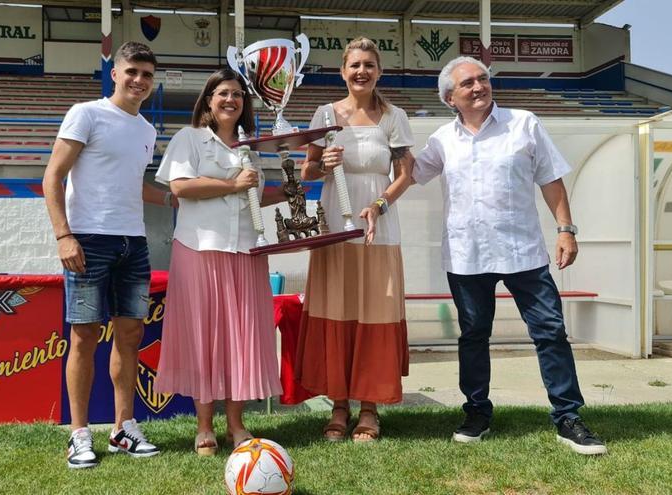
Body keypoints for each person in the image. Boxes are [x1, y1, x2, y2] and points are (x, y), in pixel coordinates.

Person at [411, 56, 607, 455]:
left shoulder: (525, 123)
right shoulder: (441, 141)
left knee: (550, 333)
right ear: (451, 97)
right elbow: (409, 174)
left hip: (524, 251)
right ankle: (477, 412)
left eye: (483, 79)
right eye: (468, 83)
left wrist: (566, 229)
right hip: (467, 254)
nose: (479, 87)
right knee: (473, 337)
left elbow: (550, 179)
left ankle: (568, 417)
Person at [43, 41, 176, 469]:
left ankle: (123, 427)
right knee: (83, 336)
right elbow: (53, 176)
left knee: (131, 335)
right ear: (115, 73)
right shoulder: (86, 113)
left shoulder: (146, 130)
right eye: (132, 71)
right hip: (88, 241)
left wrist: (182, 198)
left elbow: (134, 184)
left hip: (132, 243)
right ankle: (79, 435)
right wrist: (64, 235)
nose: (139, 80)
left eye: (147, 75)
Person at [154, 68, 286, 456]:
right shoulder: (189, 138)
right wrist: (232, 185)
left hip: (246, 249)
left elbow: (254, 196)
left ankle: (237, 424)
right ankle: (203, 427)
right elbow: (180, 188)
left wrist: (297, 184)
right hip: (199, 249)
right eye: (223, 93)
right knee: (203, 337)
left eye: (238, 95)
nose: (231, 100)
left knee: (238, 338)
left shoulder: (252, 147)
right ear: (209, 100)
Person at [295, 37, 416, 442]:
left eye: (369, 65)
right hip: (334, 228)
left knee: (376, 314)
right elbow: (306, 171)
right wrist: (322, 165)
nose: (361, 71)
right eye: (354, 65)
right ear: (342, 71)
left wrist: (379, 205)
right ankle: (339, 404)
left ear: (378, 71)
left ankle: (369, 408)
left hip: (379, 230)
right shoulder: (325, 113)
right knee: (338, 312)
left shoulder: (393, 117)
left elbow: (405, 175)